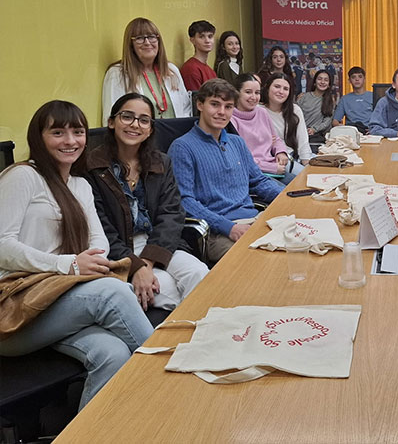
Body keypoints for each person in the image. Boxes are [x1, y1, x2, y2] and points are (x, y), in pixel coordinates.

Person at [0, 101, 153, 409]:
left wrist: (77, 265)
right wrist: (68, 264)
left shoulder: (81, 185)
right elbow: (2, 245)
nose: (70, 141)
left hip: (55, 301)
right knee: (112, 291)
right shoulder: (22, 176)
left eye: (78, 132)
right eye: (58, 132)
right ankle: (178, 380)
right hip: (13, 308)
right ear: (38, 137)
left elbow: (99, 243)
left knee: (113, 354)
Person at [86, 94, 209, 312]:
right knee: (167, 291)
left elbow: (172, 214)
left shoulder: (160, 162)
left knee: (200, 274)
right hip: (119, 250)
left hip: (159, 244)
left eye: (144, 120)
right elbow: (100, 227)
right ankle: (183, 339)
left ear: (150, 129)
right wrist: (134, 266)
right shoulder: (92, 167)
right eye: (127, 117)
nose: (135, 125)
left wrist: (147, 263)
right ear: (112, 122)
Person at [168, 79, 284, 263]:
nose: (222, 112)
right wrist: (228, 227)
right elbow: (184, 201)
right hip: (218, 232)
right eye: (215, 104)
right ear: (200, 104)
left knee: (298, 247)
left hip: (255, 219)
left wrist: (287, 197)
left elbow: (258, 181)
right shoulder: (182, 147)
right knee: (257, 262)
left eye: (228, 106)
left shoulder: (236, 142)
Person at [102, 17, 192, 122]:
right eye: (139, 38)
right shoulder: (117, 74)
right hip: (139, 137)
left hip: (175, 135)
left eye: (151, 37)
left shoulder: (171, 70)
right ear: (130, 45)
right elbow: (111, 117)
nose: (147, 42)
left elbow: (186, 109)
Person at [230, 73, 296, 184]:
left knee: (302, 186)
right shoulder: (231, 120)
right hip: (254, 173)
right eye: (248, 92)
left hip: (273, 166)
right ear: (236, 93)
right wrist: (272, 168)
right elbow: (241, 159)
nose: (254, 97)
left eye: (257, 93)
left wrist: (280, 152)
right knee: (287, 195)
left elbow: (275, 139)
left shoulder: (262, 112)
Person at [262, 73, 313, 167]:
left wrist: (306, 164)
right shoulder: (259, 111)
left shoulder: (295, 110)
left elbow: (303, 140)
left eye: (286, 89)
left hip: (292, 156)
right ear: (267, 88)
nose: (281, 91)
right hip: (270, 160)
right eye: (277, 87)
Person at [296, 70, 336, 143]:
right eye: (319, 79)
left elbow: (327, 122)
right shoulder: (304, 97)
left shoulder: (330, 101)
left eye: (326, 80)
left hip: (319, 136)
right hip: (299, 134)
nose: (322, 82)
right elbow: (294, 115)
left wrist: (314, 129)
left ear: (329, 84)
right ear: (314, 82)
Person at [332, 66, 372, 133]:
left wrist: (374, 129)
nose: (357, 79)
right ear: (349, 80)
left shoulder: (373, 96)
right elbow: (335, 121)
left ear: (364, 79)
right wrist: (345, 129)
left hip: (370, 132)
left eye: (360, 77)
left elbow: (382, 118)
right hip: (351, 133)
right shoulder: (344, 99)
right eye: (353, 77)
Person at [179, 20, 217, 93]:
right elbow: (195, 101)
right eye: (201, 37)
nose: (207, 41)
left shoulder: (210, 71)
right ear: (192, 40)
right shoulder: (190, 69)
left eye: (210, 36)